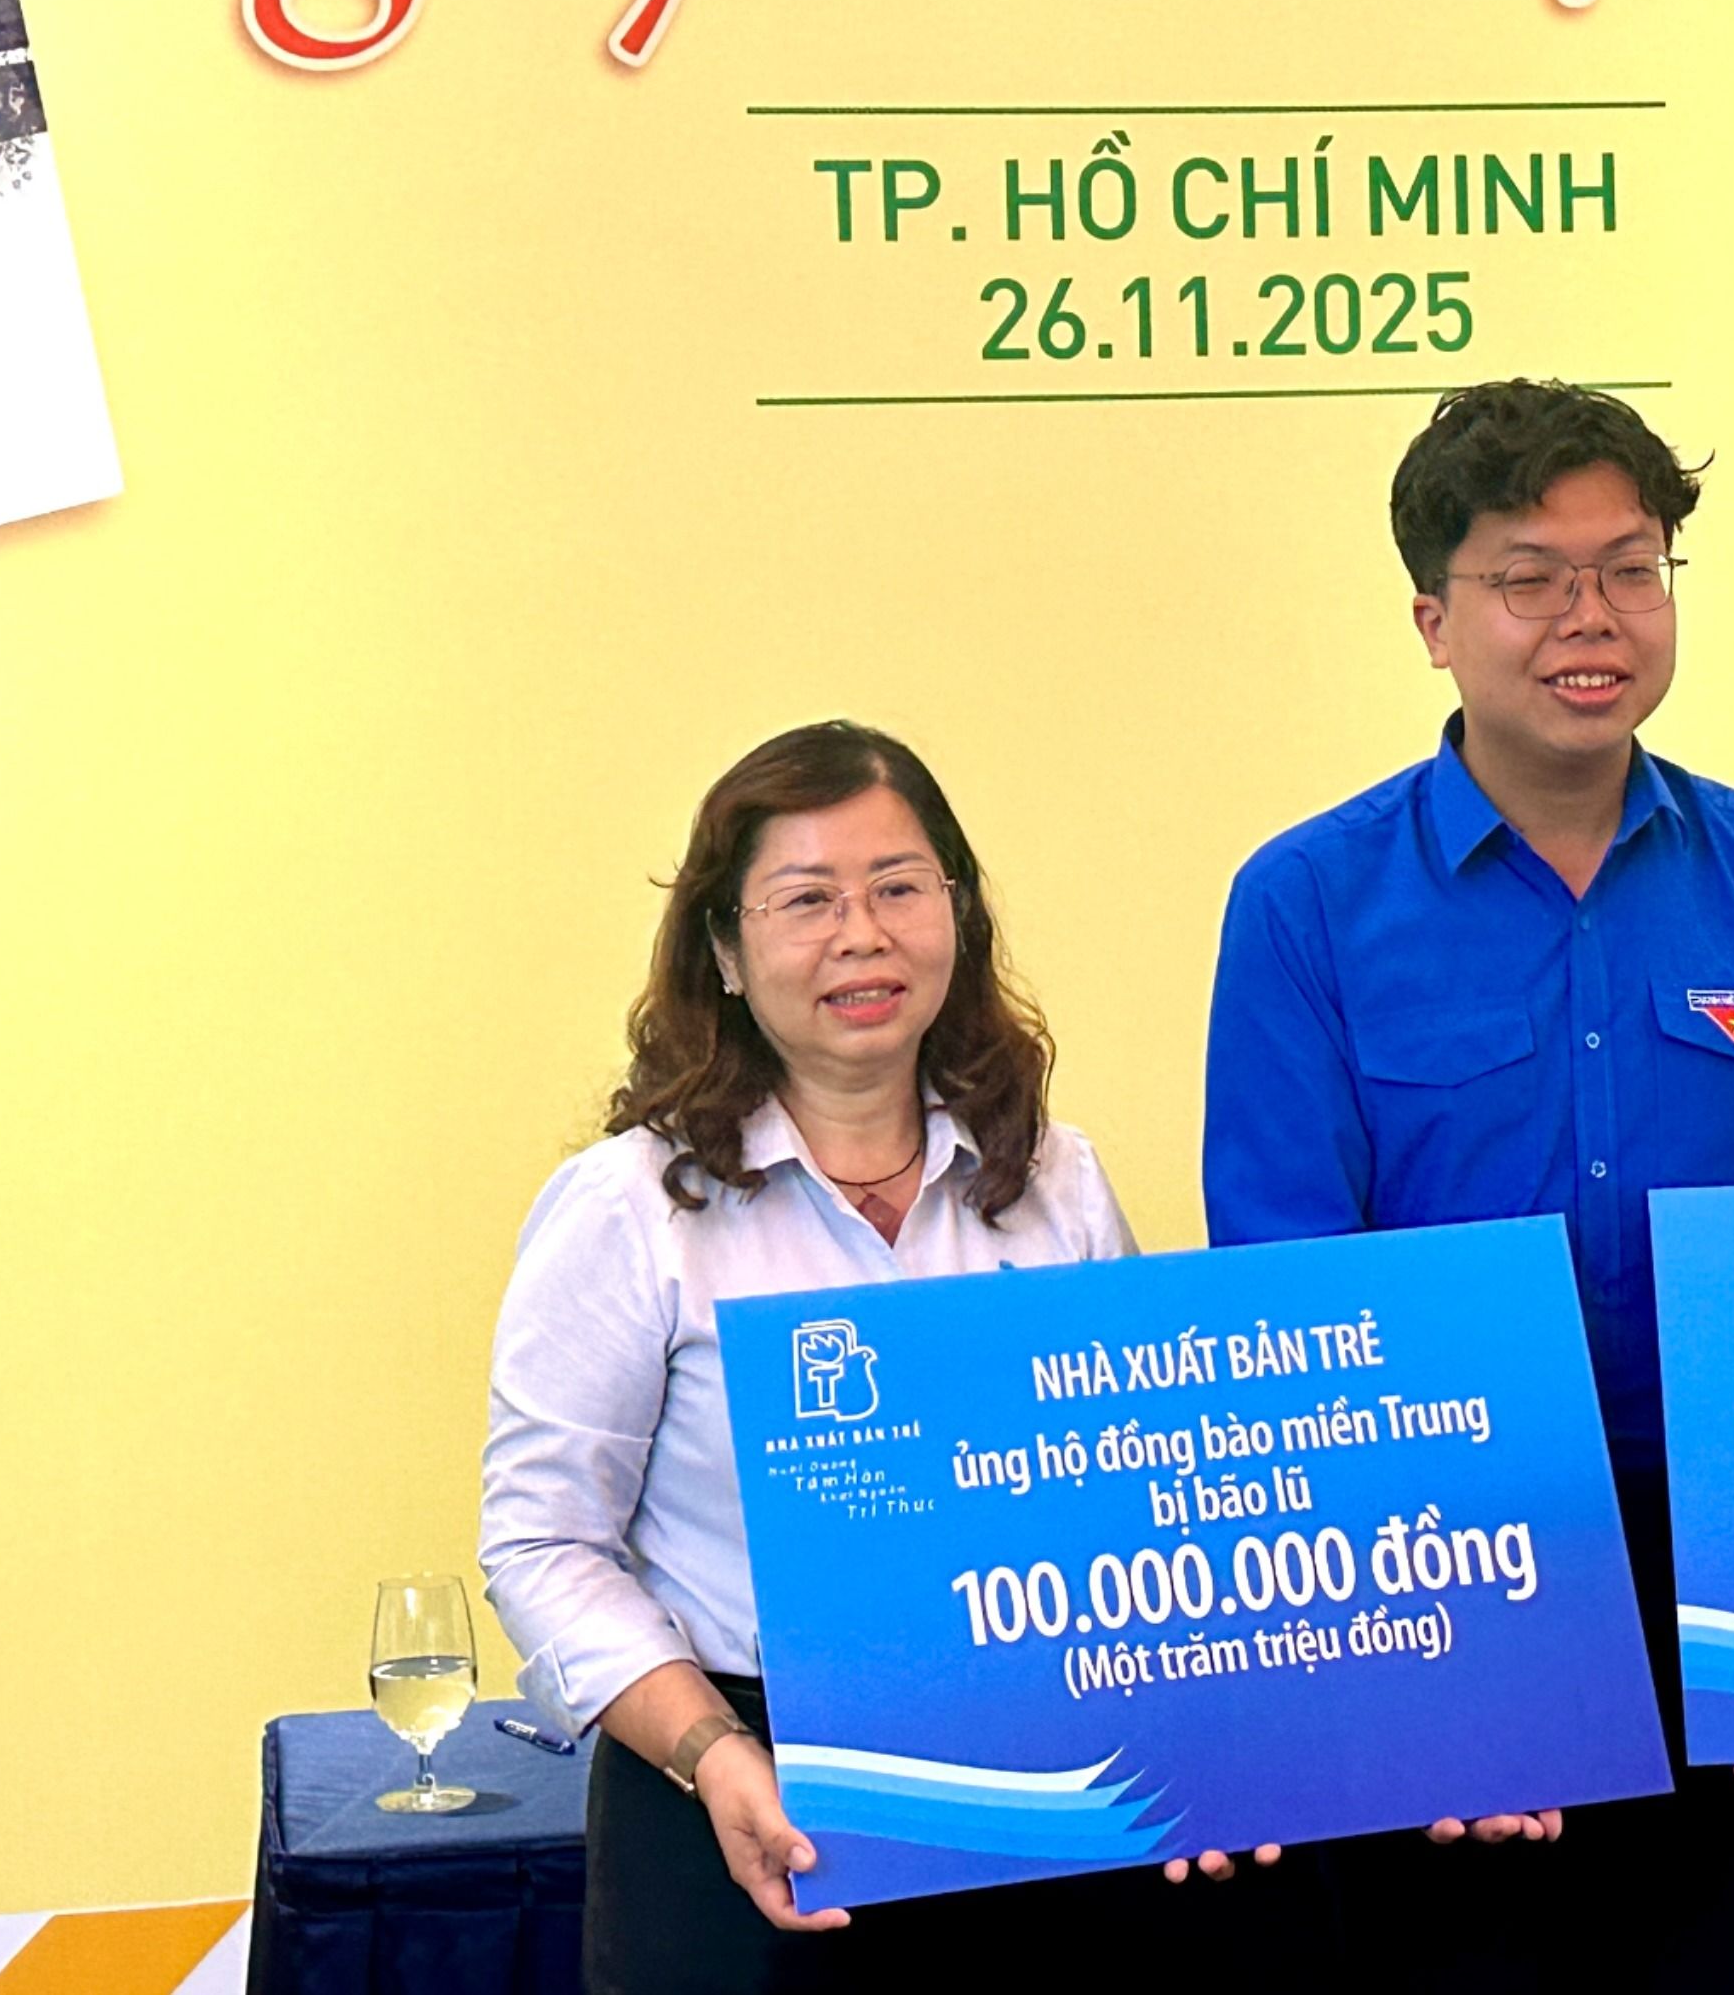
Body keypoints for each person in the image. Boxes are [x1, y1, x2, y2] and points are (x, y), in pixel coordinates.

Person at [1202, 381, 1734, 1995]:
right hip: (1451, 1556)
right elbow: (1293, 1277)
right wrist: (1422, 1652)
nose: (1591, 617)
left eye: (1630, 568)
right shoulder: (1304, 900)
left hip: (1731, 1555)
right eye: (1531, 576)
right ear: (1433, 619)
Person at [481, 721, 1255, 1993]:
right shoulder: (630, 1209)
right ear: (724, 950)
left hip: (1043, 1791)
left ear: (958, 914)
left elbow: (1129, 1490)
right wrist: (712, 1751)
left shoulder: (1055, 1179)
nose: (862, 935)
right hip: (740, 1799)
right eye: (806, 900)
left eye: (900, 887)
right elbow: (542, 1540)